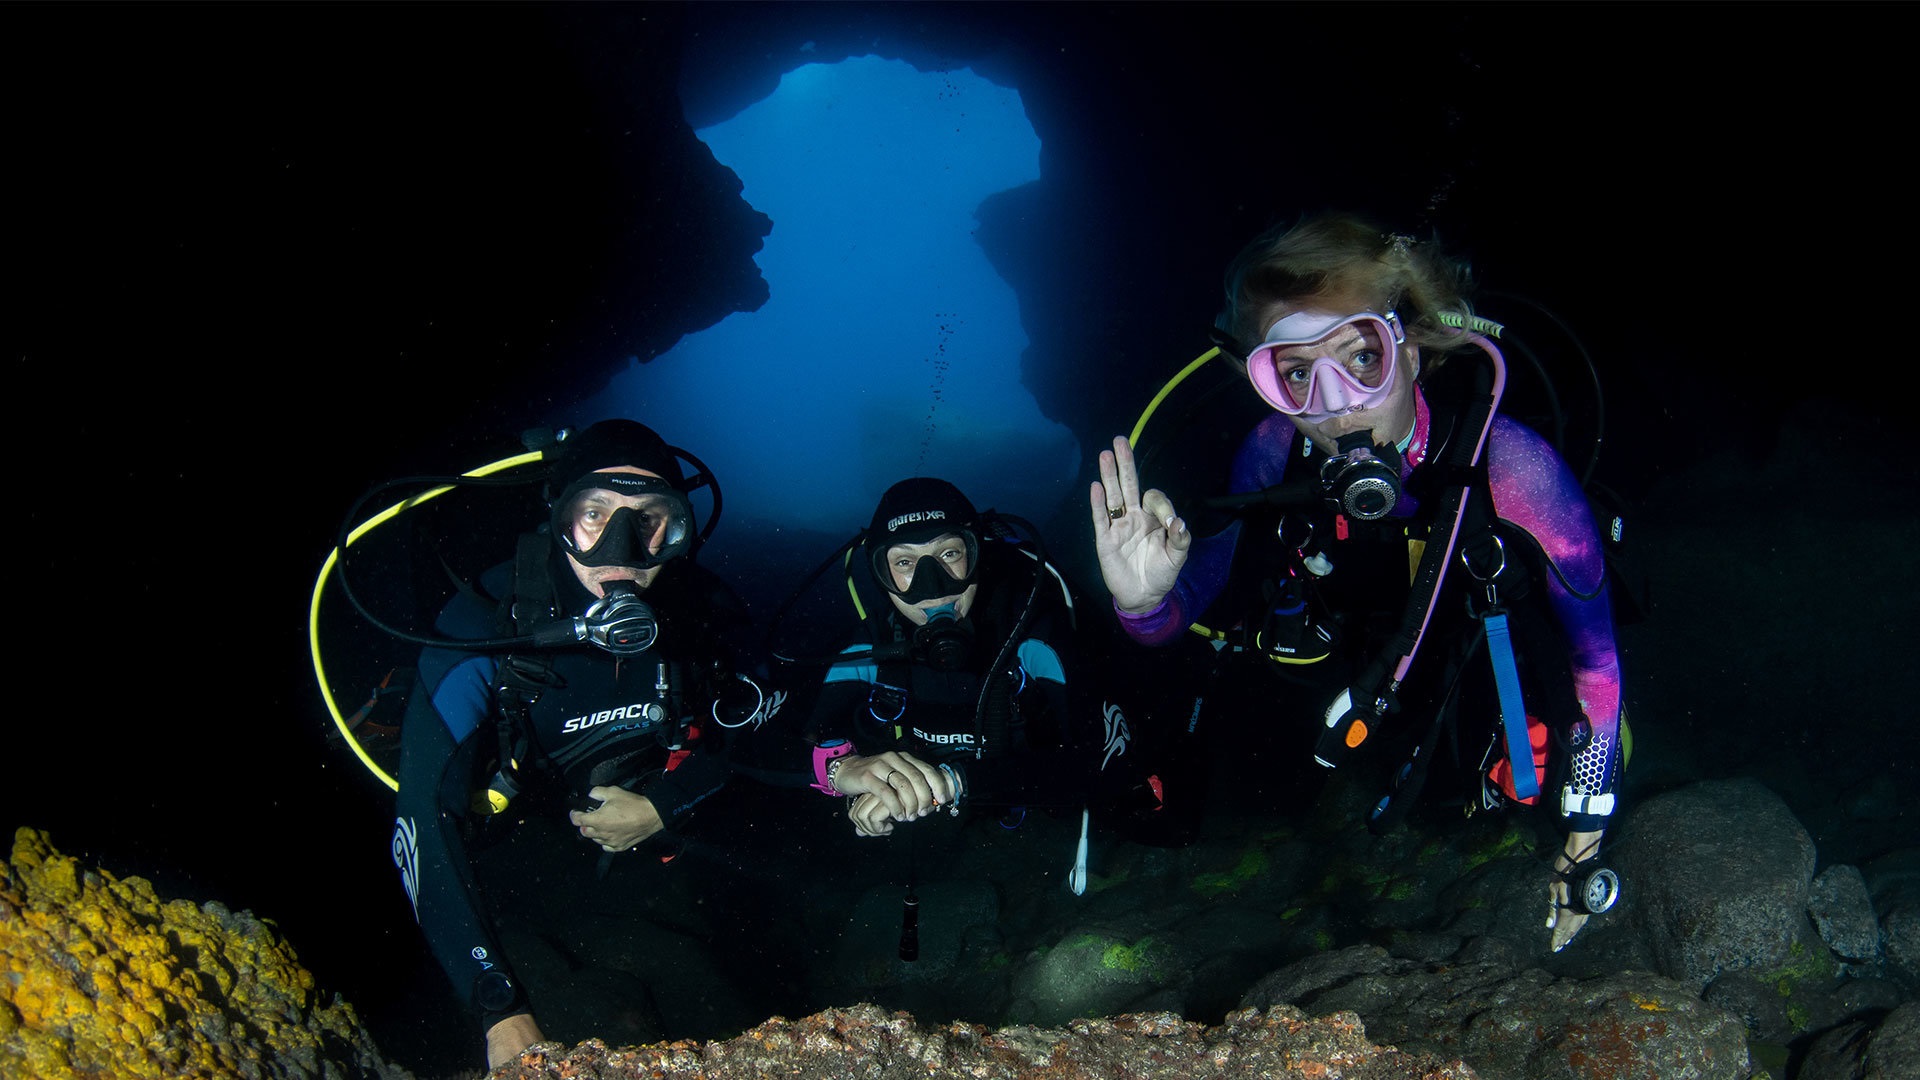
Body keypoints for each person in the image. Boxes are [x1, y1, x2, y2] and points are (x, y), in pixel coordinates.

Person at [1090, 212, 1624, 953]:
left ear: (1411, 349)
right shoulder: (1272, 450)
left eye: (1361, 356)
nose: (1335, 401)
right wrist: (1144, 601)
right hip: (1357, 661)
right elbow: (1187, 605)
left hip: (1472, 650)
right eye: (1296, 374)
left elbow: (1595, 659)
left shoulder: (1517, 471)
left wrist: (1584, 835)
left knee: (1517, 770)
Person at [388, 419, 795, 1067]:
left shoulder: (706, 612)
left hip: (650, 829)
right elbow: (421, 823)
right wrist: (498, 1008)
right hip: (521, 824)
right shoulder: (483, 621)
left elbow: (770, 729)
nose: (622, 548)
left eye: (650, 518)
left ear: (681, 529)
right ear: (558, 515)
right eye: (595, 514)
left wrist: (664, 805)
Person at [803, 478, 1153, 858]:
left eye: (950, 553)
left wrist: (954, 782)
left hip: (1032, 797)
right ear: (880, 575)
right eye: (904, 562)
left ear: (976, 553)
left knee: (1161, 825)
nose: (933, 587)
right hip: (942, 814)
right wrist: (841, 769)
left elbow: (1103, 757)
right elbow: (775, 732)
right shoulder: (871, 646)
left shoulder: (1030, 630)